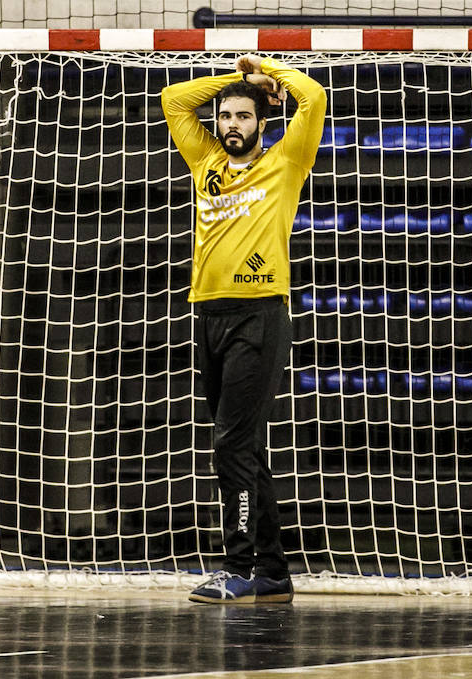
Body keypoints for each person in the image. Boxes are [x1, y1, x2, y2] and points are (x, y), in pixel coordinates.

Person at [161, 54, 326, 604]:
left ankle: (237, 568)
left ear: (262, 123)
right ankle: (274, 575)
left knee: (231, 444)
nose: (233, 124)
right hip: (207, 314)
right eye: (226, 116)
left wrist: (268, 76)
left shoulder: (286, 161)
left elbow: (314, 97)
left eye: (244, 116)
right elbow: (173, 100)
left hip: (259, 314)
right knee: (246, 448)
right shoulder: (204, 158)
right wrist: (237, 83)